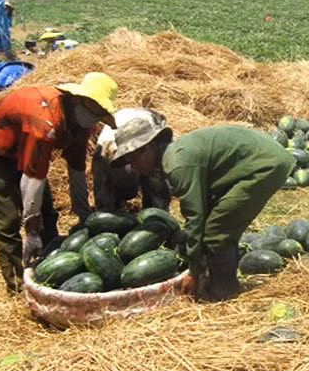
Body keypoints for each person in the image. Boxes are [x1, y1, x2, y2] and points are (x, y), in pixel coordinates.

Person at [110, 122, 295, 302]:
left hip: (265, 166)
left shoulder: (178, 165)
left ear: (148, 147)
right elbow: (201, 208)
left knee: (216, 233)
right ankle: (221, 279)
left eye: (132, 158)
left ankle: (224, 294)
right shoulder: (176, 156)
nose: (132, 166)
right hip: (261, 160)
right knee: (217, 224)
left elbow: (195, 218)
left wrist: (194, 272)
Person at [0, 72, 118, 293]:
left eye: (101, 112)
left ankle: (50, 267)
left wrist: (84, 215)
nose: (97, 116)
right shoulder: (45, 123)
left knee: (47, 211)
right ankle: (18, 286)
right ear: (79, 98)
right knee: (7, 220)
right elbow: (33, 177)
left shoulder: (81, 124)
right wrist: (31, 229)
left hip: (25, 147)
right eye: (95, 108)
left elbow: (76, 170)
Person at [92, 108, 171, 212]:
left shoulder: (150, 138)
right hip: (109, 147)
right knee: (115, 196)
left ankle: (153, 214)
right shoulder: (106, 154)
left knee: (153, 179)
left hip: (128, 140)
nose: (135, 166)